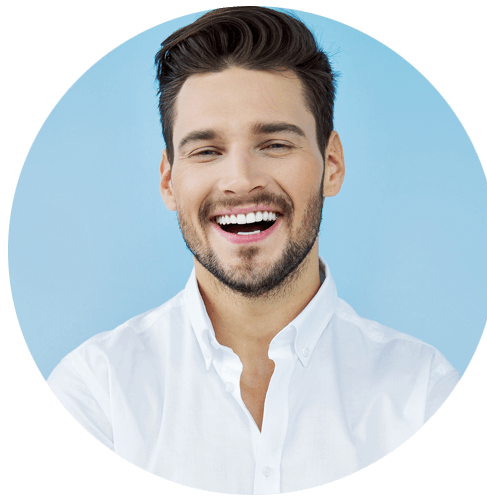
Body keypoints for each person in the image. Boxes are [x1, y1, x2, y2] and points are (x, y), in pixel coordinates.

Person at [46, 6, 460, 494]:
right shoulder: (97, 393)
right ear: (168, 181)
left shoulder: (421, 394)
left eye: (275, 144)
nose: (241, 180)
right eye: (206, 150)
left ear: (331, 164)